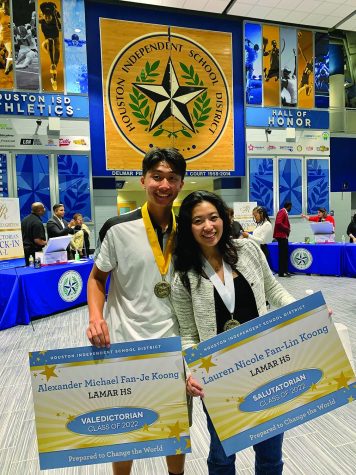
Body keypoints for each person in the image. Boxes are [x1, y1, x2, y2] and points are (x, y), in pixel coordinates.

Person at [171, 191, 295, 475]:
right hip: (220, 377)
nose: (208, 226)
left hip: (266, 365)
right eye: (198, 220)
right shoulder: (184, 277)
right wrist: (191, 371)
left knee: (270, 454)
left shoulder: (248, 250)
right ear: (188, 227)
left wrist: (306, 315)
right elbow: (188, 334)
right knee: (222, 456)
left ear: (224, 219)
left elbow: (274, 290)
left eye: (213, 217)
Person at [86, 147, 187, 475]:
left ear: (181, 183)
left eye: (172, 178)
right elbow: (97, 279)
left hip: (174, 347)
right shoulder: (117, 228)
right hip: (127, 344)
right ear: (143, 180)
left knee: (174, 427)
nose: (164, 184)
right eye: (157, 177)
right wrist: (96, 317)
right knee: (126, 427)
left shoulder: (189, 229)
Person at [39, 1, 61, 91]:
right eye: (45, 16)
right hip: (48, 42)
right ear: (43, 15)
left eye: (49, 17)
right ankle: (52, 63)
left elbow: (59, 22)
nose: (47, 18)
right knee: (51, 41)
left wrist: (56, 14)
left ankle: (54, 79)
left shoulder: (55, 21)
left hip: (55, 44)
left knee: (55, 66)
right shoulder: (42, 23)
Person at [273, 202, 292, 277]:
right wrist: (287, 229)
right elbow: (278, 223)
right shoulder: (282, 211)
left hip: (283, 236)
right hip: (281, 236)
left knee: (284, 254)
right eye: (291, 207)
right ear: (289, 206)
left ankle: (284, 271)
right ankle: (282, 272)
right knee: (283, 255)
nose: (291, 208)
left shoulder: (284, 212)